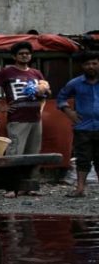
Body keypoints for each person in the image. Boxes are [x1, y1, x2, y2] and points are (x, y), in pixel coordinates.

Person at [0, 41, 49, 197]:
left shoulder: (36, 73)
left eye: (27, 53)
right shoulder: (7, 72)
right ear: (14, 56)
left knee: (33, 154)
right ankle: (11, 187)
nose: (25, 55)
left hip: (35, 118)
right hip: (18, 119)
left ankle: (30, 187)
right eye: (21, 53)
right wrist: (1, 107)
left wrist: (41, 100)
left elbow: (46, 93)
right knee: (15, 154)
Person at [56, 52, 99, 198]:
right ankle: (80, 189)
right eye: (87, 64)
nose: (91, 66)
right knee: (83, 159)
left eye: (94, 63)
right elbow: (61, 97)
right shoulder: (75, 83)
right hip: (83, 128)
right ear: (83, 66)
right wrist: (69, 112)